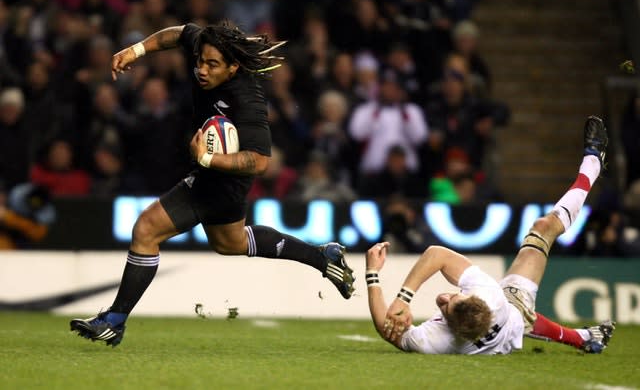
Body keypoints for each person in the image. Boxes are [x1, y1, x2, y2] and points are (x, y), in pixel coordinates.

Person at [70, 21, 355, 347]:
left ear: (233, 67)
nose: (201, 70)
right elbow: (176, 34)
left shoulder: (247, 100)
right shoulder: (206, 43)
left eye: (212, 65)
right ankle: (323, 257)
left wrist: (208, 160)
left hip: (225, 180)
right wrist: (136, 50)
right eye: (200, 61)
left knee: (146, 228)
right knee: (230, 243)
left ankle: (115, 320)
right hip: (209, 170)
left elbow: (261, 161)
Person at [365, 116, 615, 354]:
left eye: (447, 304)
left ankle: (583, 337)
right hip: (513, 316)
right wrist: (404, 300)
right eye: (450, 301)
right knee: (544, 228)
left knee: (523, 314)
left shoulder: (441, 337)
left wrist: (373, 275)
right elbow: (436, 255)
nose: (443, 298)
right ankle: (592, 163)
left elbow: (385, 328)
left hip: (512, 321)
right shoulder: (487, 299)